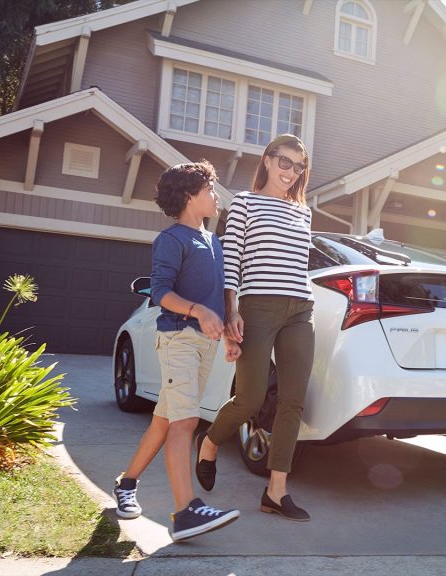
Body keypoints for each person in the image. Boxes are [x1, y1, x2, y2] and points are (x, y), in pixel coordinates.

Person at [112, 161, 241, 542]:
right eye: (210, 190)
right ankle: (186, 511)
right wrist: (197, 310)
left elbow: (217, 296)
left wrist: (230, 329)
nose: (216, 196)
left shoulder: (212, 241)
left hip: (204, 345)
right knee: (186, 422)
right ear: (190, 195)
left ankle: (126, 483)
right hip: (178, 339)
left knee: (166, 421)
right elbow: (160, 291)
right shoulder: (172, 240)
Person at [195, 134, 315, 522]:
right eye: (285, 163)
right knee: (250, 398)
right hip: (257, 307)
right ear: (266, 160)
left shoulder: (304, 212)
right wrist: (231, 312)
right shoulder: (245, 203)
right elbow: (232, 261)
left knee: (292, 401)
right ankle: (210, 442)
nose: (291, 173)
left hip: (300, 309)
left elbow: (299, 266)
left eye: (299, 167)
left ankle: (276, 492)